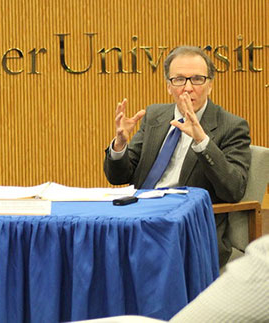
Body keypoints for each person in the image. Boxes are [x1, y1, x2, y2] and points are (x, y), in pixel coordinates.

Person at [103, 45, 251, 265]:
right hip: (140, 215)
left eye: (197, 79)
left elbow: (233, 189)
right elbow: (119, 176)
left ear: (210, 85)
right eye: (179, 80)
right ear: (168, 86)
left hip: (187, 226)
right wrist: (119, 145)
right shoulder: (154, 116)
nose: (188, 88)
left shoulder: (231, 126)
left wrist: (202, 142)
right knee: (98, 243)